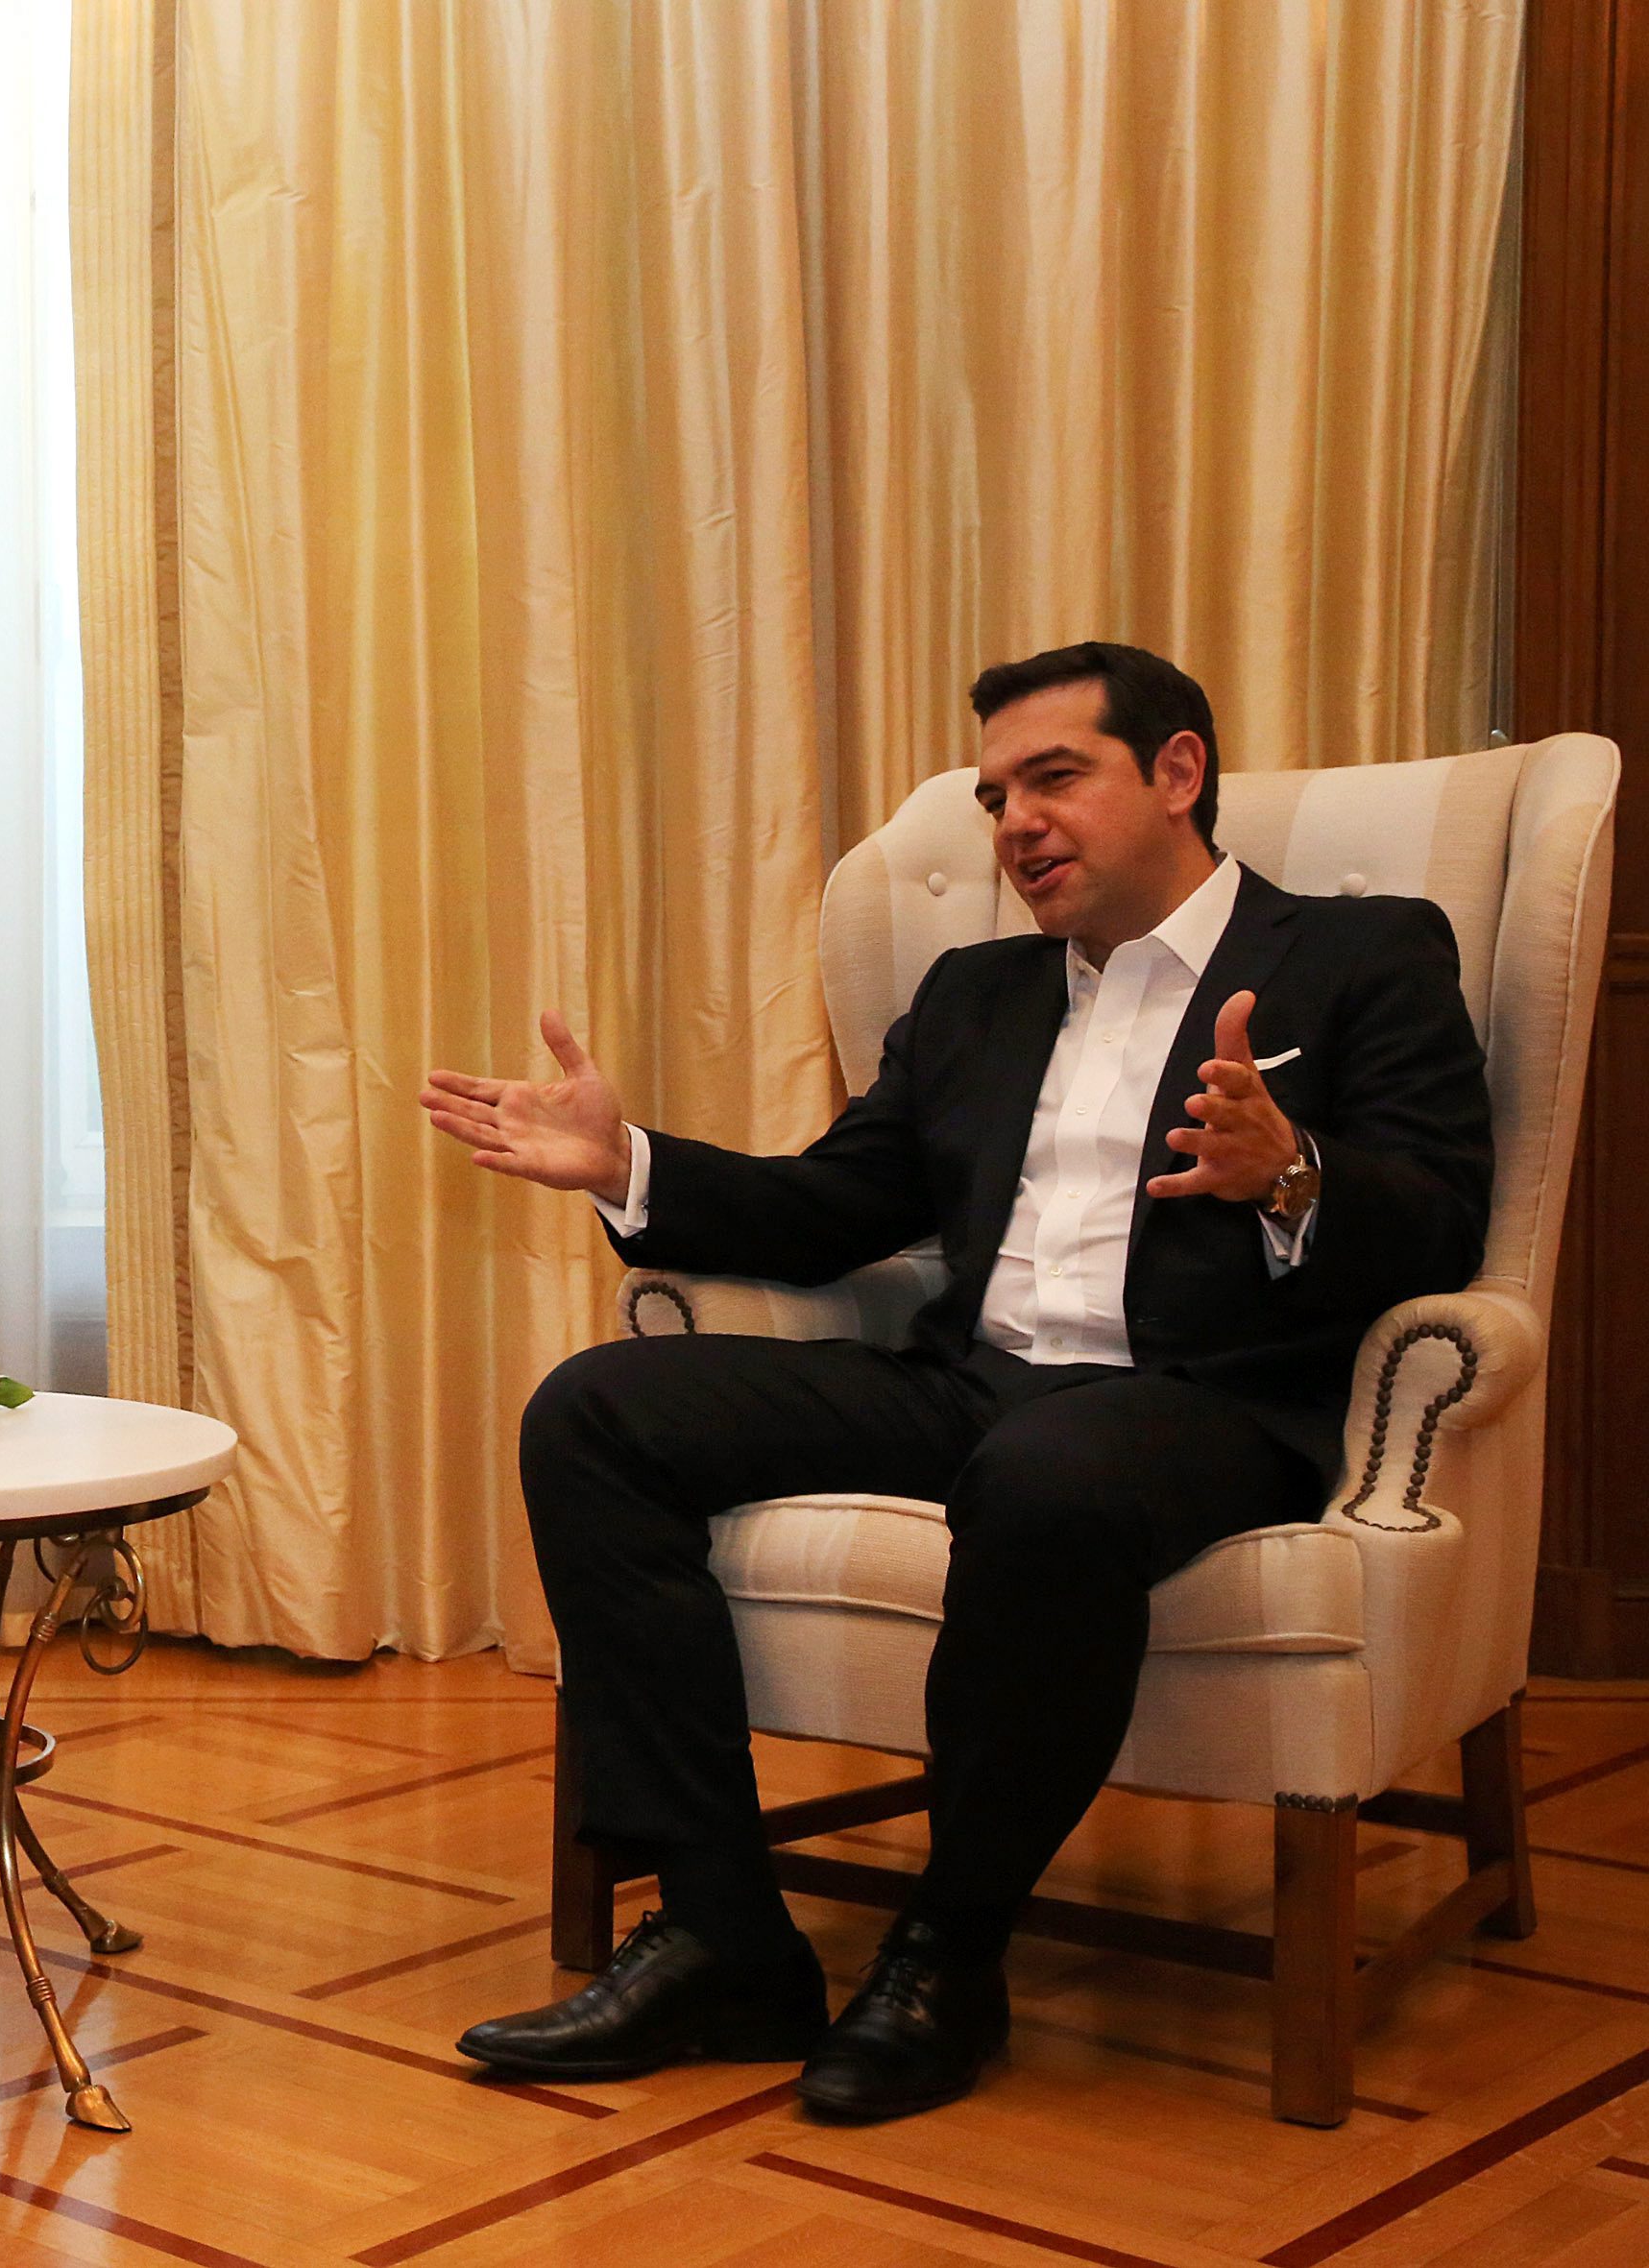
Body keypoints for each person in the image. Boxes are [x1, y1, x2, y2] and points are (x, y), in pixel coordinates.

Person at [421, 643, 1490, 2122]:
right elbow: (833, 1209)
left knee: (1049, 1481)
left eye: (1055, 778)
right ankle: (722, 1932)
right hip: (973, 1387)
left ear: (1178, 773)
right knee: (595, 1410)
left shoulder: (1360, 955)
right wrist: (629, 1164)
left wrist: (1293, 1170)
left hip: (1208, 1401)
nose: (1017, 824)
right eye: (996, 797)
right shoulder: (975, 992)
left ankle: (949, 1948)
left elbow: (1444, 1218)